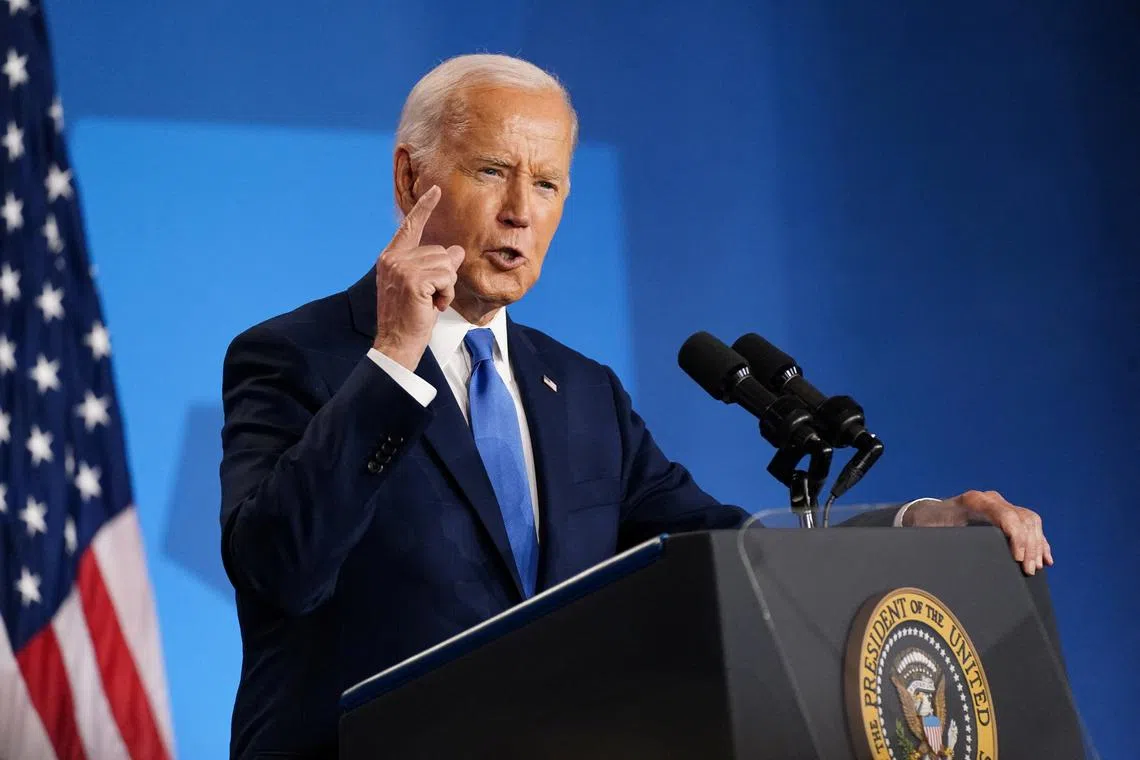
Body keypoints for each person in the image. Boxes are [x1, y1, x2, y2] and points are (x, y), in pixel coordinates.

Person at [218, 54, 1051, 759]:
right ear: (411, 179)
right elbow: (281, 571)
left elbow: (722, 552)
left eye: (547, 183)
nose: (521, 210)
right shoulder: (300, 358)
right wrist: (394, 358)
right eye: (492, 171)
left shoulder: (582, 393)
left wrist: (913, 529)